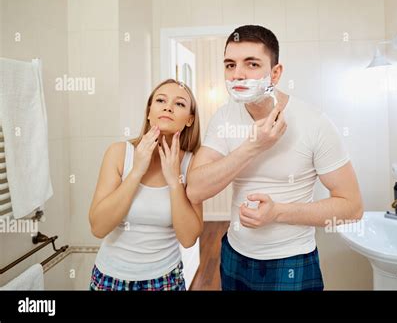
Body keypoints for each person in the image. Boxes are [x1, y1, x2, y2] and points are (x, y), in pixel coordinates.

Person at [186, 25, 364, 291]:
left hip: (292, 261)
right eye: (230, 65)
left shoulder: (314, 123)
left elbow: (352, 208)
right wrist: (253, 146)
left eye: (252, 64)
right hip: (234, 253)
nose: (238, 75)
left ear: (275, 73)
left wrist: (279, 212)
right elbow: (196, 189)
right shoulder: (224, 118)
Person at [88, 79, 203, 291]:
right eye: (161, 100)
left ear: (189, 119)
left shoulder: (192, 163)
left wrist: (174, 181)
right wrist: (137, 171)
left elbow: (188, 239)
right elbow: (98, 227)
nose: (168, 106)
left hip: (165, 280)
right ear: (149, 112)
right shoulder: (119, 153)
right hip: (109, 278)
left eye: (179, 104)